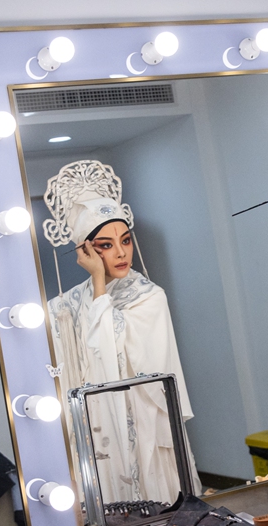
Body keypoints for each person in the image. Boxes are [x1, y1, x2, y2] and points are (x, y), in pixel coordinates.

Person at [42, 160, 192, 505]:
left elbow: (111, 354)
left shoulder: (149, 297)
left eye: (125, 240)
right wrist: (96, 286)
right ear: (86, 250)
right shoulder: (67, 305)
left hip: (144, 426)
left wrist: (98, 286)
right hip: (99, 429)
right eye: (106, 245)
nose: (123, 252)